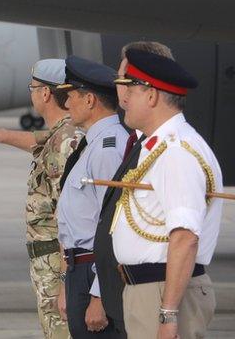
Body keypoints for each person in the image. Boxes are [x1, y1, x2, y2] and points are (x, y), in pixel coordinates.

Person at [0, 59, 76, 339]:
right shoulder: (61, 135)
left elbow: (71, 220)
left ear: (46, 94)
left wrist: (65, 282)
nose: (31, 93)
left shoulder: (67, 141)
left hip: (57, 267)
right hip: (47, 265)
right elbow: (40, 141)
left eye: (33, 88)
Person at [112, 49, 222, 339]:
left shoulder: (176, 153)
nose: (123, 100)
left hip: (164, 292)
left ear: (151, 96)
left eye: (130, 89)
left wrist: (168, 313)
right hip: (150, 290)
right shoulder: (161, 147)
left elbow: (185, 237)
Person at [92, 40, 175, 337]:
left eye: (123, 79)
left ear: (147, 88)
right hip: (127, 292)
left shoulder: (171, 149)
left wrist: (169, 312)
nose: (118, 87)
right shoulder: (140, 143)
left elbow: (184, 238)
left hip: (151, 292)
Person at [52, 56, 128, 338]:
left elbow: (112, 225)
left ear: (90, 100)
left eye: (70, 96)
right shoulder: (92, 144)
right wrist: (66, 283)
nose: (67, 104)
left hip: (95, 274)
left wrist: (99, 295)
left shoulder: (108, 149)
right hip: (79, 271)